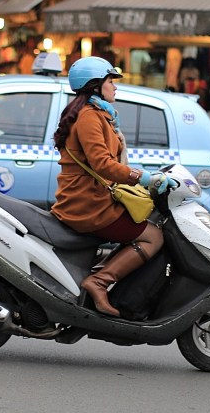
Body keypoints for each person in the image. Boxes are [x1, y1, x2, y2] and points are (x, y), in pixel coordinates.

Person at [50, 56, 171, 317]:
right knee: (153, 236)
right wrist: (143, 177)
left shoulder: (96, 114)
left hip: (91, 198)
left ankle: (100, 274)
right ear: (95, 85)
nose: (114, 86)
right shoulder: (89, 117)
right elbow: (103, 164)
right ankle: (99, 281)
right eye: (110, 80)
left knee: (144, 224)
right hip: (87, 204)